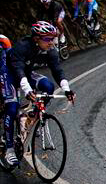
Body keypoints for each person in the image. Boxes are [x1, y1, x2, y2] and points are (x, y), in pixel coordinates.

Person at [2, 22, 75, 166]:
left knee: (48, 86)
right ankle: (9, 149)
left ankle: (30, 116)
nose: (52, 43)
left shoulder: (50, 50)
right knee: (12, 107)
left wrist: (67, 89)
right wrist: (27, 90)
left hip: (26, 72)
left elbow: (57, 70)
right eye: (48, 39)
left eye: (53, 38)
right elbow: (18, 70)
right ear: (36, 38)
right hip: (9, 73)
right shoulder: (22, 46)